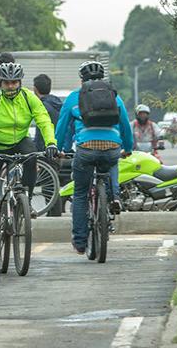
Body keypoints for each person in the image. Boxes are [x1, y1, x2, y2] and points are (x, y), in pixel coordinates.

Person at [0, 62, 58, 252]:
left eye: (15, 82)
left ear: (20, 82)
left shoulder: (29, 98)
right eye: (7, 83)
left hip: (20, 141)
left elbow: (43, 119)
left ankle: (26, 201)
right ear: (1, 83)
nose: (11, 86)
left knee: (32, 158)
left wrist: (51, 143)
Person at [55, 61, 133, 255]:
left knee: (81, 193)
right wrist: (128, 147)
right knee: (111, 160)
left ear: (82, 79)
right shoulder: (115, 96)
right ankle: (113, 196)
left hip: (86, 148)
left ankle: (80, 242)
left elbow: (62, 127)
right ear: (102, 78)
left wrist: (59, 149)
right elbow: (125, 125)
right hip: (112, 146)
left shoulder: (74, 97)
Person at [33, 73, 62, 152]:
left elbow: (39, 137)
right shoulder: (58, 104)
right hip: (60, 148)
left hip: (47, 150)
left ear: (35, 89)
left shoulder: (41, 107)